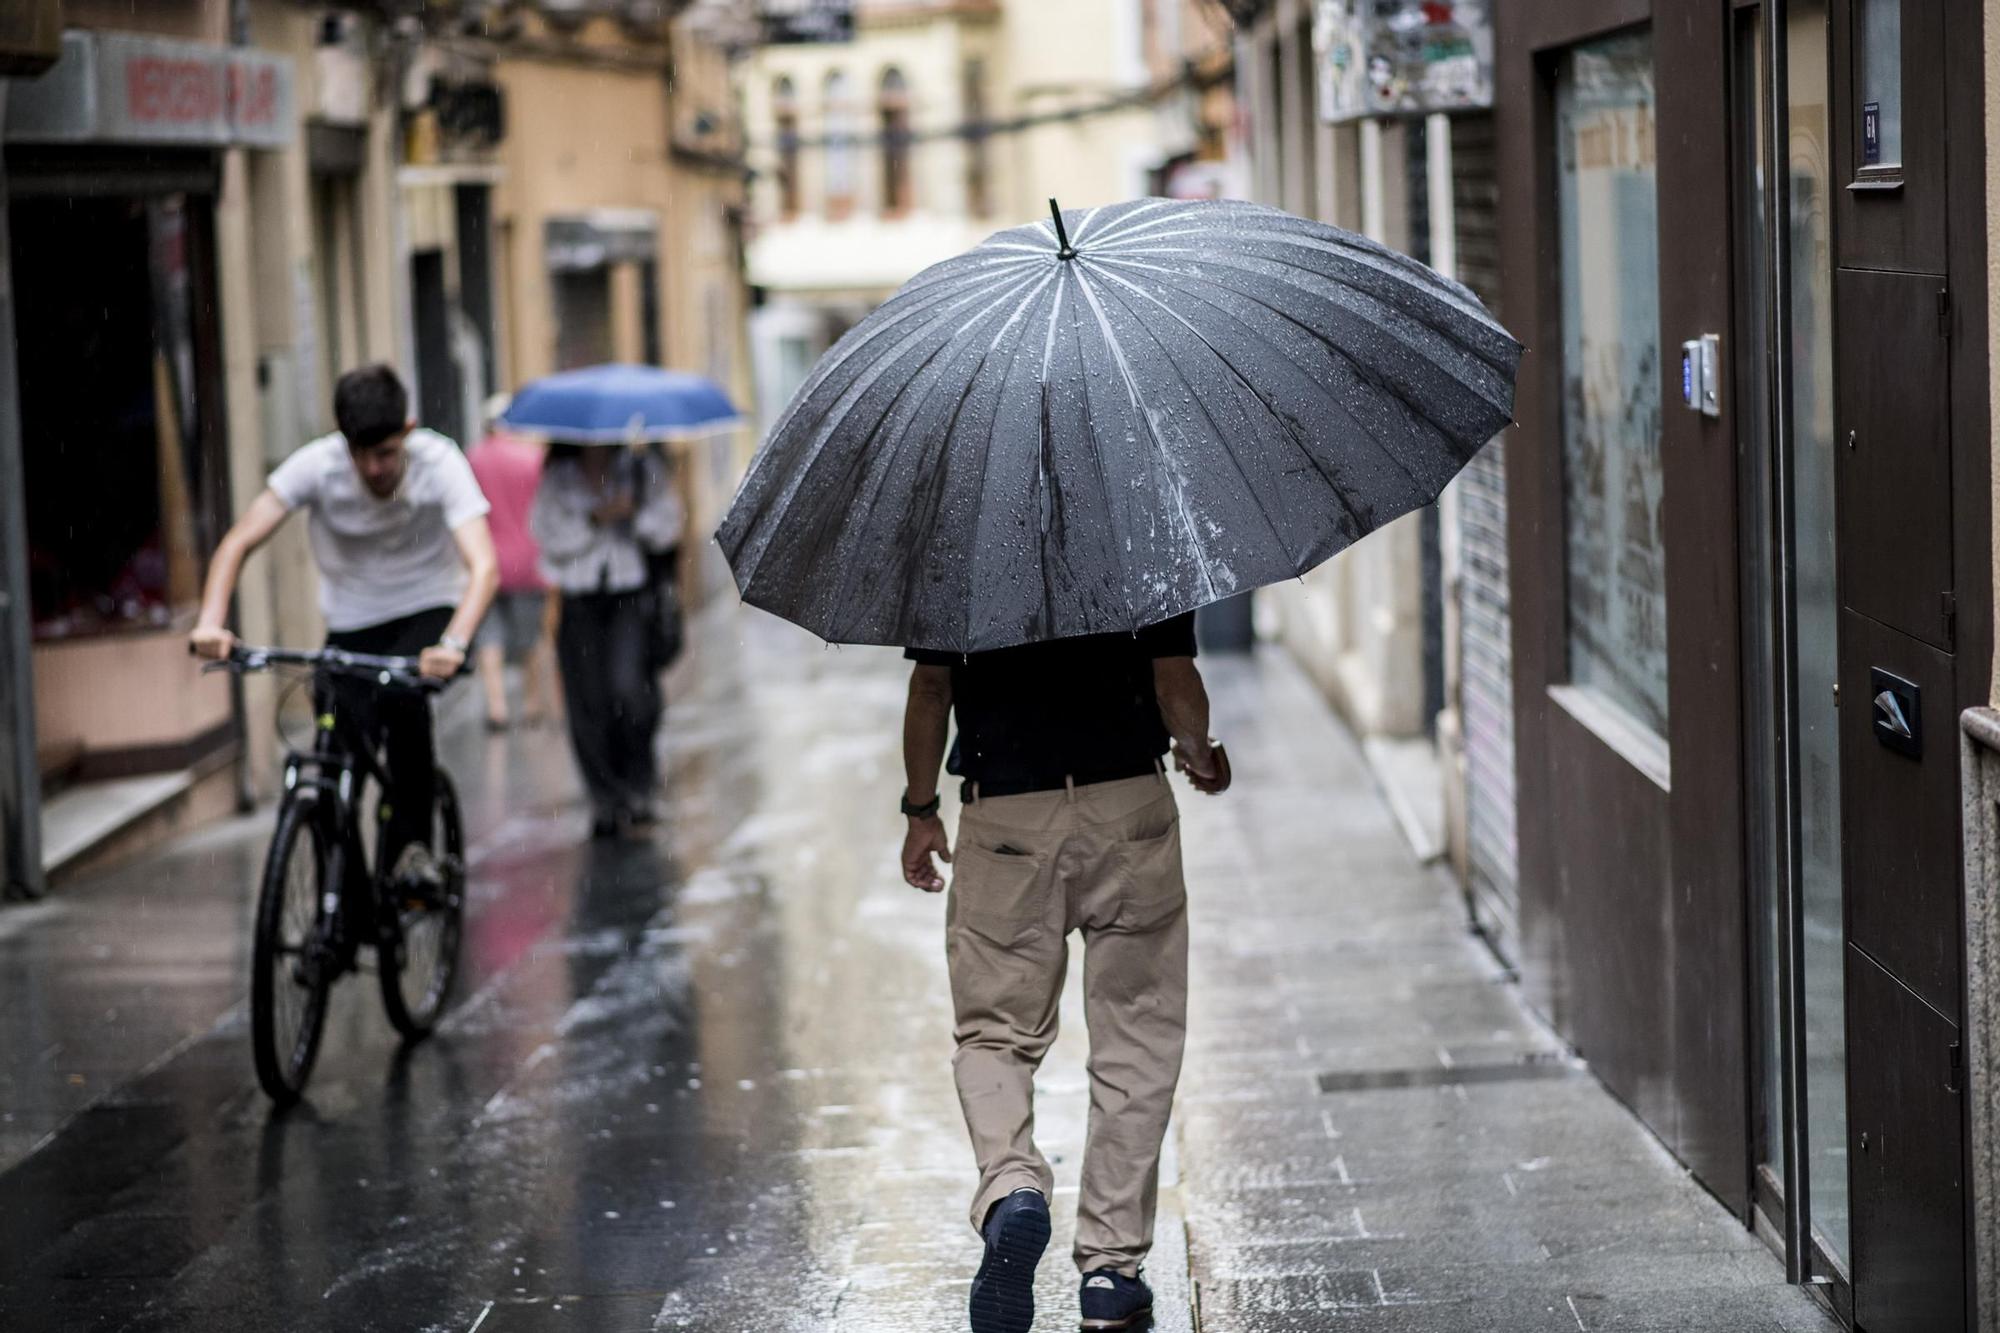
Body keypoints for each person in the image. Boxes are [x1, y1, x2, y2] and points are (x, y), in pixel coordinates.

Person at [900, 615, 1231, 1333]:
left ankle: (1013, 1185)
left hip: (1006, 812)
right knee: (1137, 1033)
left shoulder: (958, 536)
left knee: (995, 1032)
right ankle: (1111, 1271)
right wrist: (1200, 752)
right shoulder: (1139, 519)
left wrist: (920, 810)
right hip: (1128, 806)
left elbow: (930, 689)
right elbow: (1175, 680)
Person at [190, 364, 499, 880]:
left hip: (426, 611)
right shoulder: (319, 465)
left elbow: (484, 566)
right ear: (343, 443)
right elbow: (238, 541)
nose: (374, 469)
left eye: (385, 454)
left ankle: (411, 854)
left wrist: (454, 643)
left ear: (408, 430)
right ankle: (344, 903)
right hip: (353, 623)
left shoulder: (439, 461)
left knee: (404, 700)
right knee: (332, 755)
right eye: (361, 455)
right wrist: (210, 622)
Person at [530, 442, 682, 839]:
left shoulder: (638, 467)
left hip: (629, 599)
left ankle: (638, 787)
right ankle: (605, 798)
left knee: (630, 691)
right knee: (588, 704)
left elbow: (668, 527)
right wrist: (596, 519)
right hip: (579, 601)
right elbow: (546, 536)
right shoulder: (558, 478)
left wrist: (634, 515)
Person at [466, 397, 559, 731]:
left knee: (489, 635)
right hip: (526, 560)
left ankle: (497, 705)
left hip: (486, 560)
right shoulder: (530, 458)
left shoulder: (473, 458)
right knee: (529, 636)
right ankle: (532, 702)